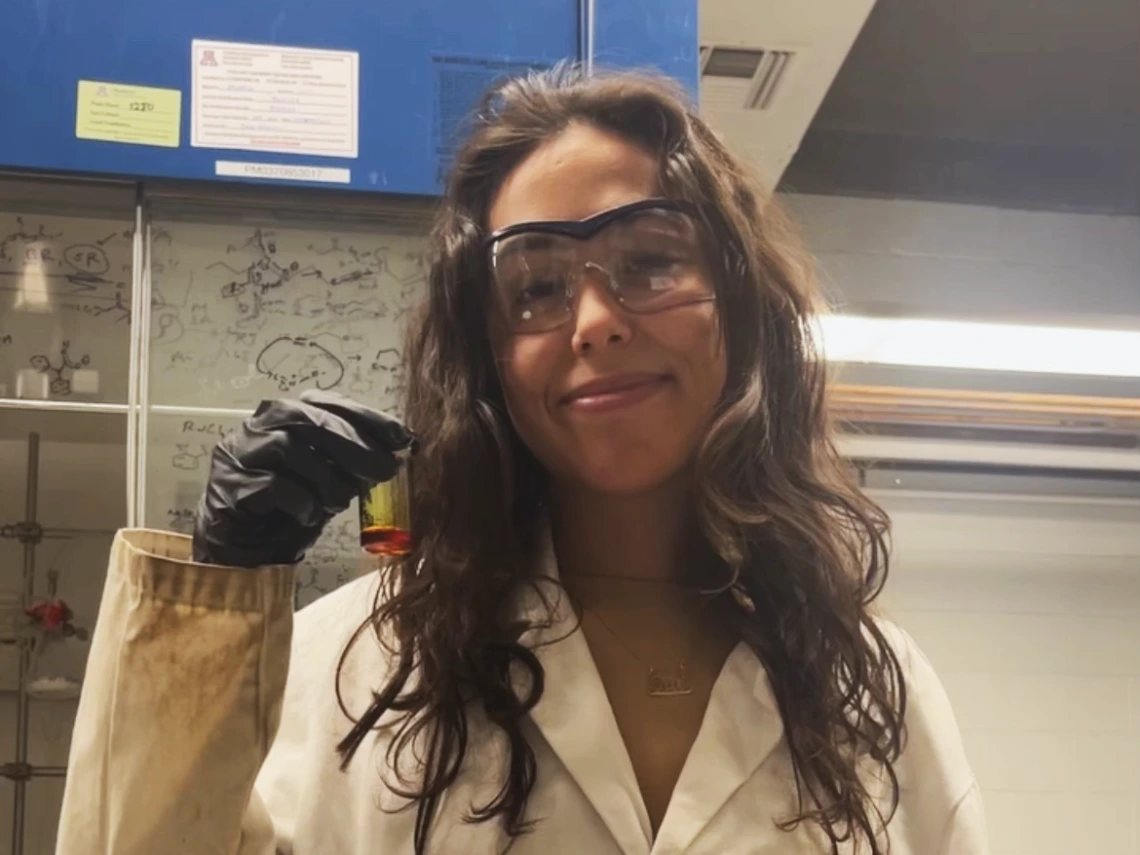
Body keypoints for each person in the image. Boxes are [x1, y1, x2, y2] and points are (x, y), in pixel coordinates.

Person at [56, 66, 987, 855]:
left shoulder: (866, 686)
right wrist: (211, 613)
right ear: (487, 360)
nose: (594, 321)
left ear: (742, 309)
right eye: (536, 286)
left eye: (652, 261)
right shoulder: (362, 663)